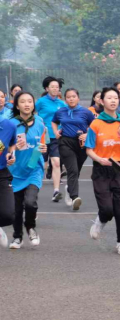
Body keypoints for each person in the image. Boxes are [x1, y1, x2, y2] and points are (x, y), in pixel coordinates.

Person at [85, 87, 120, 255]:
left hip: (118, 168)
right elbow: (88, 149)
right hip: (101, 169)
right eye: (109, 98)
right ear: (102, 101)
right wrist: (98, 159)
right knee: (107, 208)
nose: (113, 101)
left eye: (116, 98)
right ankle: (101, 219)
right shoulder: (96, 124)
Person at [8, 91, 47, 248]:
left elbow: (43, 143)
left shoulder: (40, 122)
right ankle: (17, 237)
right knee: (16, 210)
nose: (26, 104)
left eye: (30, 101)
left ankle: (31, 227)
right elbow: (1, 146)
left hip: (34, 170)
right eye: (22, 102)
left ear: (33, 104)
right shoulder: (9, 124)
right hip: (15, 172)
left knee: (30, 203)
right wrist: (12, 149)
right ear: (17, 105)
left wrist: (43, 149)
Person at [52, 88, 95, 211]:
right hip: (65, 142)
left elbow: (95, 127)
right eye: (68, 97)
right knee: (73, 170)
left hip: (81, 144)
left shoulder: (86, 112)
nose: (71, 99)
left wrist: (87, 134)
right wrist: (55, 132)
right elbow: (54, 122)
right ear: (65, 99)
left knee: (76, 171)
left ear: (78, 98)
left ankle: (69, 189)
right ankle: (75, 197)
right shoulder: (61, 111)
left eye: (73, 96)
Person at [36, 76, 67, 202]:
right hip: (42, 137)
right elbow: (31, 113)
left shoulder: (62, 103)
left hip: (56, 137)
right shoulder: (41, 102)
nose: (55, 89)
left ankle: (56, 191)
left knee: (56, 162)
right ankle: (32, 189)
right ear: (47, 88)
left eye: (57, 87)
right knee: (41, 165)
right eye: (52, 87)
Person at [0, 112, 17, 249]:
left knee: (8, 215)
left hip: (2, 173)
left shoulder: (9, 125)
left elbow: (12, 144)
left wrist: (12, 155)